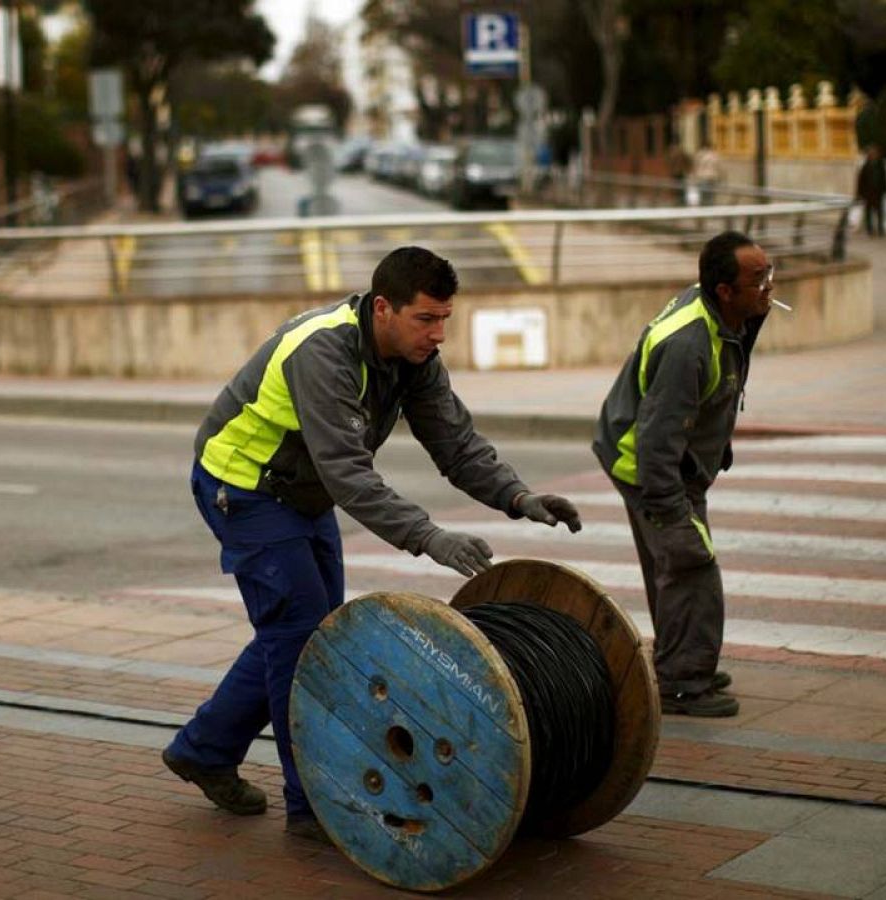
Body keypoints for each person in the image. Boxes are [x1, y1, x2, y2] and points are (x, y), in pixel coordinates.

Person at [163, 246, 583, 842]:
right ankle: (310, 805)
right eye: (426, 319)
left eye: (445, 320)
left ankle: (204, 750)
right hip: (244, 488)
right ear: (383, 308)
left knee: (309, 633)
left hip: (301, 493)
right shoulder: (324, 351)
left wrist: (518, 498)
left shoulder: (414, 357)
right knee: (303, 638)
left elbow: (456, 445)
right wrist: (428, 537)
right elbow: (349, 474)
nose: (438, 335)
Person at [592, 231, 772, 718]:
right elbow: (657, 441)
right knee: (690, 564)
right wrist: (671, 513)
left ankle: (683, 663)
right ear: (724, 291)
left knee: (674, 566)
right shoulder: (690, 343)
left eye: (769, 273)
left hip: (675, 460)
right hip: (647, 464)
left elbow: (711, 393)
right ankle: (682, 684)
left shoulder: (721, 317)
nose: (769, 287)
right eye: (758, 280)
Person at [854, 145, 886, 237]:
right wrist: (859, 193)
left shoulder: (881, 165)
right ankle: (870, 230)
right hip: (868, 193)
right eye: (871, 153)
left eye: (875, 153)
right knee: (869, 212)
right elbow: (860, 181)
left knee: (880, 212)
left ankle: (880, 229)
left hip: (878, 192)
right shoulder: (865, 166)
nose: (873, 154)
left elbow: (885, 179)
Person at [692, 141, 721, 207]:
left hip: (701, 177)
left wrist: (695, 176)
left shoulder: (699, 154)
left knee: (702, 195)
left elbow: (695, 165)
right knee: (711, 195)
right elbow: (718, 166)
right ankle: (710, 210)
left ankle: (703, 211)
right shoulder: (714, 155)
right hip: (712, 177)